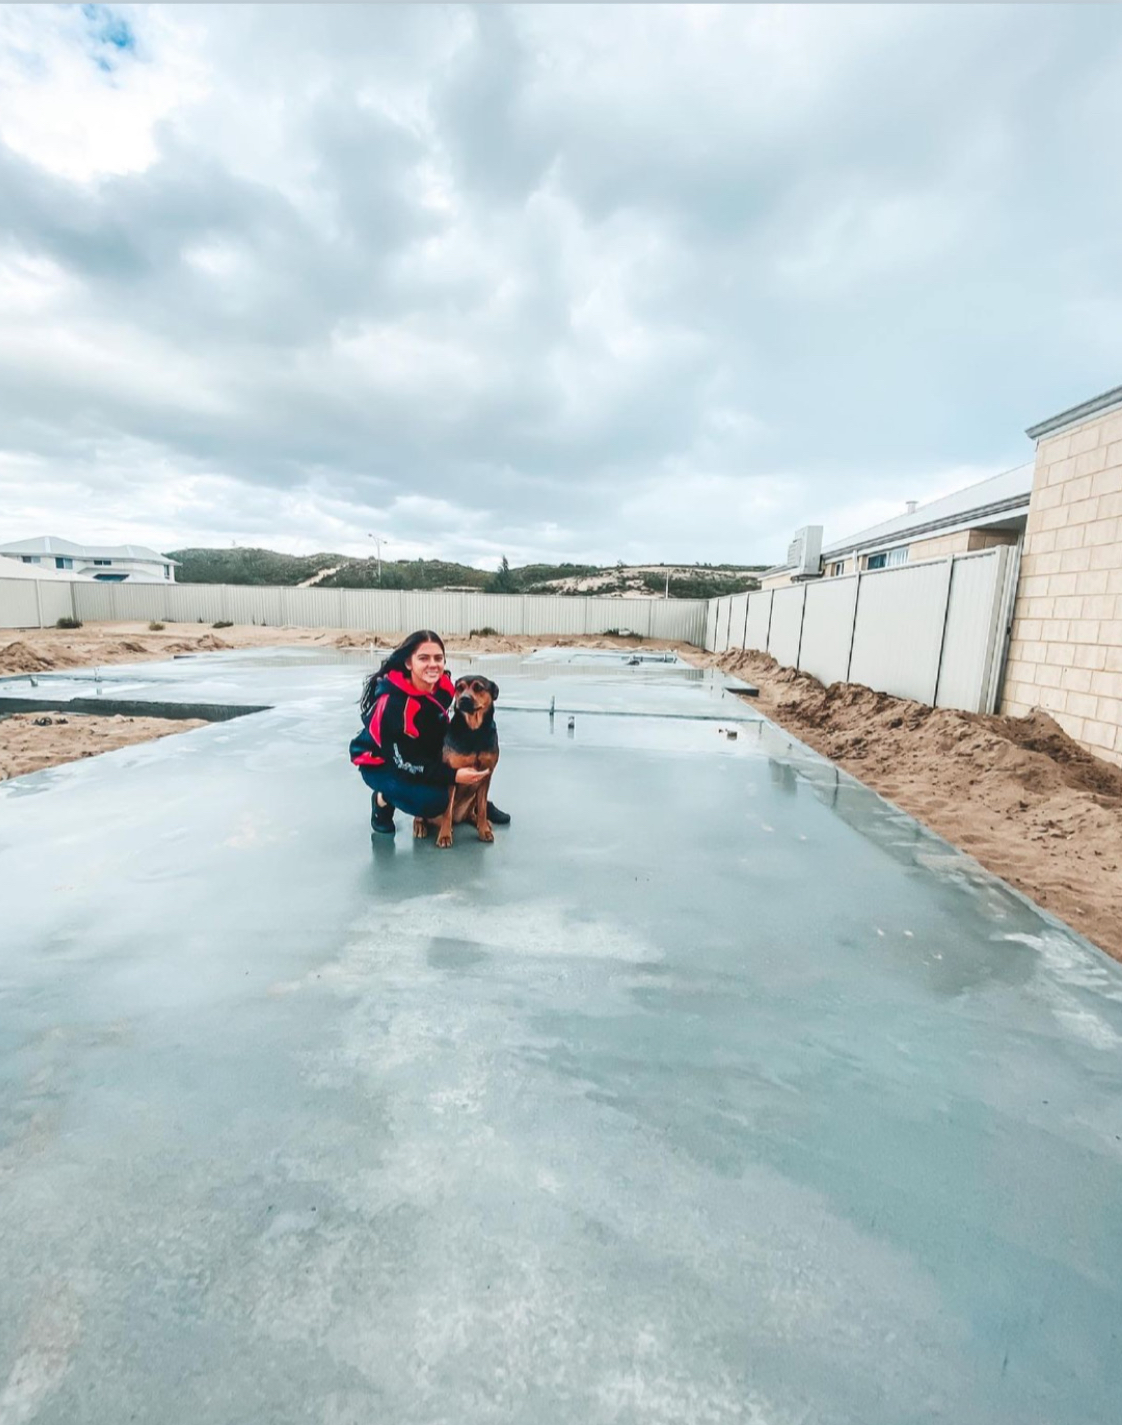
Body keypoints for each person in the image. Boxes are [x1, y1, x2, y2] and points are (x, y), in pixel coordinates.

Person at [350, 629, 510, 837]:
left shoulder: (443, 689)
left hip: (420, 753)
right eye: (423, 658)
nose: (432, 664)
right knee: (433, 801)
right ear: (409, 663)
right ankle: (383, 799)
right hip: (385, 762)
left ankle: (474, 805)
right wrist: (454, 774)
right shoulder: (395, 705)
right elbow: (406, 762)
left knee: (445, 778)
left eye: (438, 658)